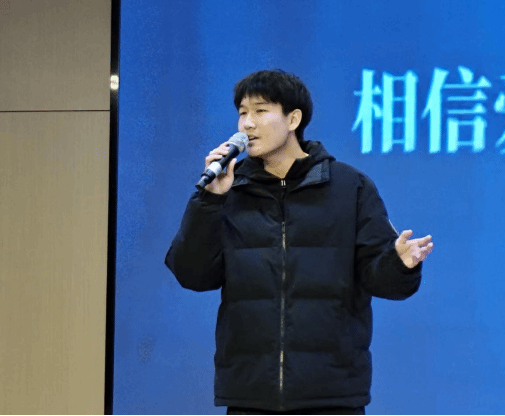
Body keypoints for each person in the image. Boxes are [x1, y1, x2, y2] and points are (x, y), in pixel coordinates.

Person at [164, 69, 433, 415]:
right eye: (243, 113)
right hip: (250, 395)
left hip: (331, 394)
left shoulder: (349, 187)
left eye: (261, 111)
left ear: (293, 119)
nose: (247, 124)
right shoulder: (231, 189)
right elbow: (192, 275)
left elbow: (383, 281)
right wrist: (210, 201)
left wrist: (399, 263)